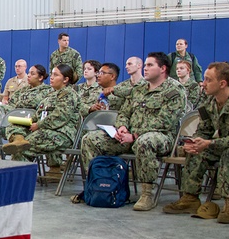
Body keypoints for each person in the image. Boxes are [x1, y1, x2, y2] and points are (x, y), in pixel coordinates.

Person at [80, 52, 186, 210]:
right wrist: (122, 127)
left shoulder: (174, 90)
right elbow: (125, 112)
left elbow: (165, 121)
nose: (145, 68)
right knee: (90, 139)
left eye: (150, 65)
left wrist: (135, 135)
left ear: (163, 68)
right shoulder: (139, 88)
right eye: (145, 65)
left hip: (161, 137)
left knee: (145, 142)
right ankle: (96, 185)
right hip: (129, 136)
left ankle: (147, 194)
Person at [162, 62, 229, 222]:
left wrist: (209, 143)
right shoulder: (208, 103)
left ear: (222, 83)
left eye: (208, 80)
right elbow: (204, 130)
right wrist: (194, 142)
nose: (203, 83)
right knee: (196, 150)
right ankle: (190, 198)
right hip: (220, 144)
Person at [5, 64, 80, 178]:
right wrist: (29, 121)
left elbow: (60, 117)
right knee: (14, 125)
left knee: (22, 149)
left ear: (65, 79)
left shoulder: (68, 94)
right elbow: (40, 113)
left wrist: (38, 124)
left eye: (56, 75)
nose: (51, 77)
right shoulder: (51, 95)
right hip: (45, 129)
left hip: (61, 133)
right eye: (52, 74)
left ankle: (19, 181)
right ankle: (18, 139)